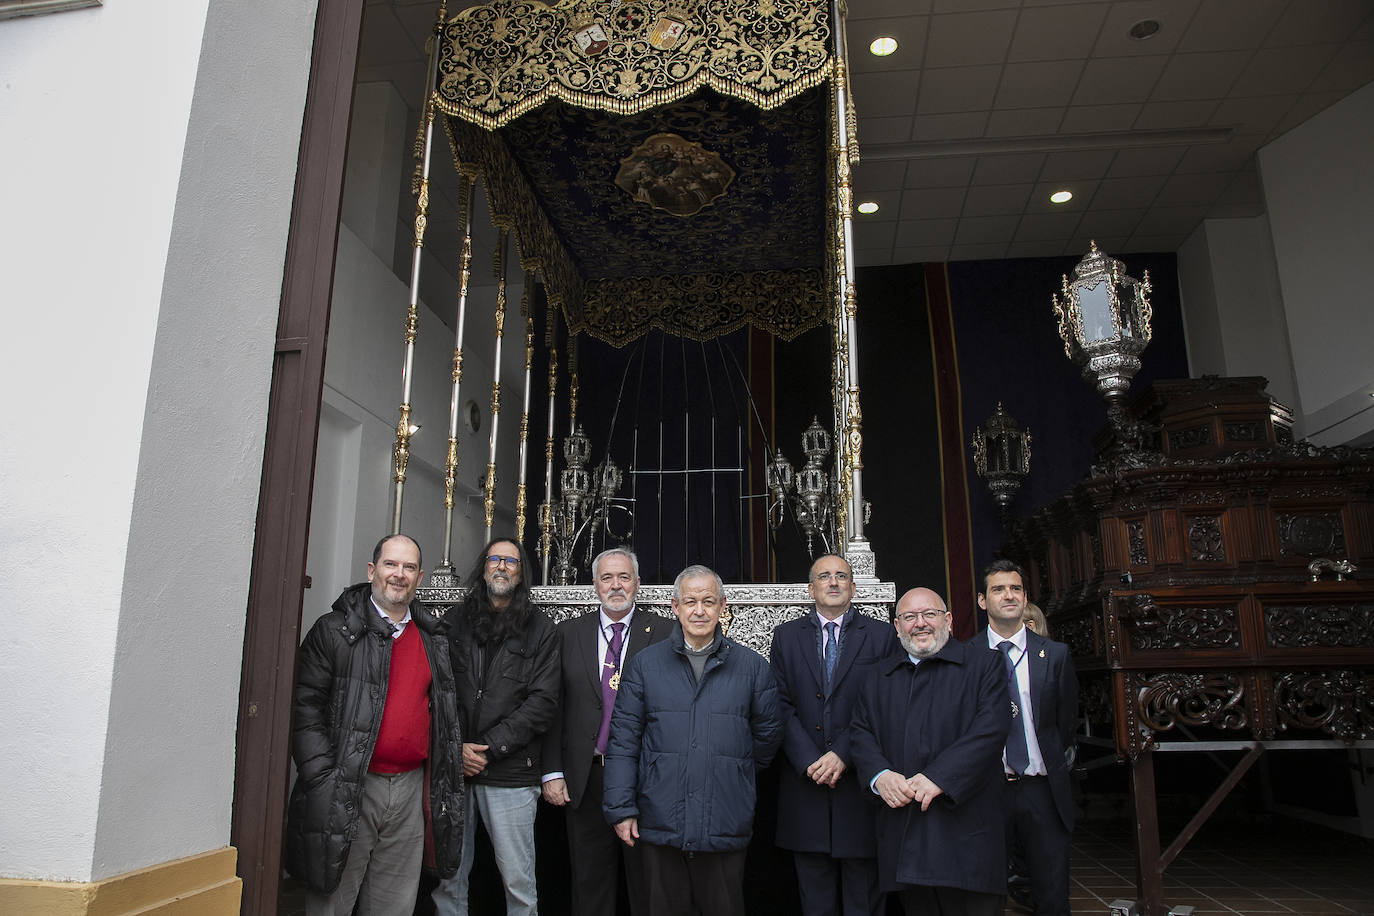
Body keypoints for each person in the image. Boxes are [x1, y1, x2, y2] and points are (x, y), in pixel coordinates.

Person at [285, 534, 464, 916]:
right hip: (348, 785)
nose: (399, 575)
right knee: (332, 899)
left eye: (409, 567)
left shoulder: (433, 639)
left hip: (409, 790)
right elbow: (303, 707)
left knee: (393, 904)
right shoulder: (334, 631)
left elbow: (443, 713)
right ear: (372, 571)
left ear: (419, 578)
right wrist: (322, 776)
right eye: (390, 564)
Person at [602, 565, 783, 916]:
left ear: (722, 607)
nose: (699, 610)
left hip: (725, 817)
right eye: (690, 602)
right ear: (675, 607)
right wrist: (621, 809)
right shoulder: (644, 665)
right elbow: (623, 741)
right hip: (659, 816)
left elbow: (767, 736)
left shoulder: (751, 667)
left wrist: (732, 769)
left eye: (708, 602)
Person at [851, 587, 1011, 916]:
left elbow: (991, 729)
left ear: (949, 620)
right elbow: (860, 732)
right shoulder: (876, 677)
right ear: (896, 626)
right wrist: (880, 776)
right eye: (909, 617)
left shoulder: (985, 665)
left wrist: (939, 777)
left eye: (930, 614)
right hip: (905, 834)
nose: (920, 623)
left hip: (968, 836)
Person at [540, 547, 674, 916]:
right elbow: (553, 706)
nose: (616, 586)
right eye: (607, 578)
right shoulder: (568, 633)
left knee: (648, 885)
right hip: (585, 779)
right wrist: (552, 770)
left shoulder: (664, 632)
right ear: (595, 585)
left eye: (624, 577)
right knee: (590, 885)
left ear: (638, 583)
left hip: (643, 778)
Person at [433, 537, 559, 916]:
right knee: (449, 877)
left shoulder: (541, 629)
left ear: (522, 574)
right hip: (455, 769)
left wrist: (487, 748)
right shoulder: (454, 621)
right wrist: (456, 748)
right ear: (483, 568)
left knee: (518, 882)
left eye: (511, 562)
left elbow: (542, 703)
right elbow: (438, 689)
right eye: (495, 560)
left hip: (510, 773)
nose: (502, 567)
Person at [770, 553, 901, 916]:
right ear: (810, 588)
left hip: (859, 788)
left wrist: (843, 753)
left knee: (864, 896)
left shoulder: (881, 636)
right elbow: (779, 704)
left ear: (853, 587)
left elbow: (884, 705)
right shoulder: (785, 637)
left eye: (841, 576)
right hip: (806, 787)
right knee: (815, 898)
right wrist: (809, 760)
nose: (833, 582)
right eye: (824, 576)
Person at [978, 560, 1078, 916]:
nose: (1009, 595)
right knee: (985, 892)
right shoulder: (965, 657)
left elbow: (1065, 722)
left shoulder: (1055, 656)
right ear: (982, 601)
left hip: (1042, 790)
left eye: (1016, 589)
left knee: (1051, 892)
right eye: (998, 589)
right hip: (987, 791)